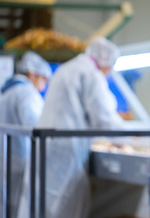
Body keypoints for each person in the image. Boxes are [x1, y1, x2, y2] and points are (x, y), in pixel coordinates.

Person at [36, 37, 126, 218]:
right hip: (67, 148)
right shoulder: (91, 74)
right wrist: (125, 139)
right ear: (106, 60)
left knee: (45, 201)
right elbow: (104, 117)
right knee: (65, 203)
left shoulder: (69, 68)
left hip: (50, 144)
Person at [0, 51, 51, 218]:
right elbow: (35, 125)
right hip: (18, 156)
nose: (44, 84)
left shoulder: (8, 90)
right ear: (32, 74)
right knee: (16, 204)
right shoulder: (26, 92)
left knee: (6, 203)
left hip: (6, 154)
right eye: (43, 78)